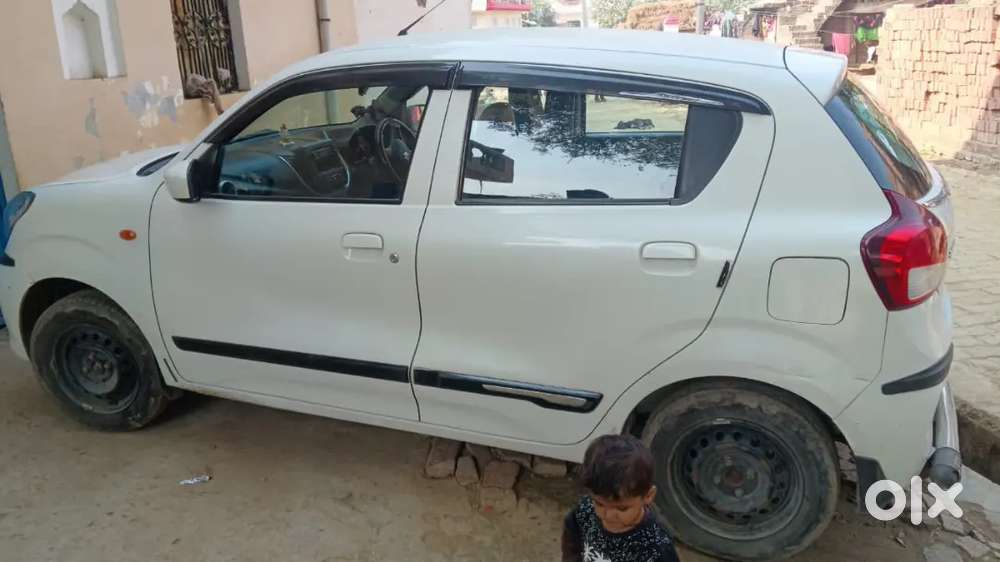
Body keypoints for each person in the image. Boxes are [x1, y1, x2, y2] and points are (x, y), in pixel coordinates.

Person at [562, 435, 681, 562]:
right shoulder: (586, 510)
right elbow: (572, 539)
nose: (608, 515)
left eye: (622, 508)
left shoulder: (657, 546)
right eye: (599, 503)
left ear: (648, 496)